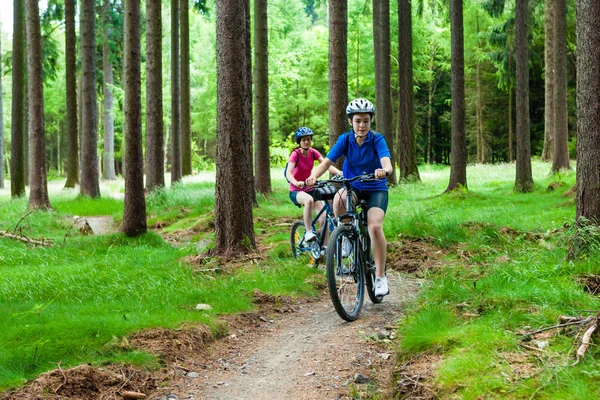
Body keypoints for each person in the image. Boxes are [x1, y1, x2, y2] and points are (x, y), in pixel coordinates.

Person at [306, 99, 393, 297]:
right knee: (338, 200)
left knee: (374, 226)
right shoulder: (345, 140)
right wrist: (313, 176)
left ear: (370, 121)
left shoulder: (377, 139)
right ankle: (345, 235)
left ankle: (380, 277)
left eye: (366, 121)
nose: (362, 125)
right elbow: (327, 162)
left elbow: (387, 162)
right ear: (351, 122)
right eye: (357, 121)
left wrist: (384, 170)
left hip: (375, 188)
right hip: (353, 185)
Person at [286, 127, 342, 243]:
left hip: (310, 189)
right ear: (299, 142)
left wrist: (340, 173)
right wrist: (296, 182)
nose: (306, 142)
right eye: (303, 140)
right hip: (296, 191)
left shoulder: (313, 152)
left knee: (324, 219)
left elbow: (326, 165)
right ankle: (308, 232)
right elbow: (288, 173)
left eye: (308, 139)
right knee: (309, 200)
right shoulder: (295, 154)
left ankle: (325, 249)